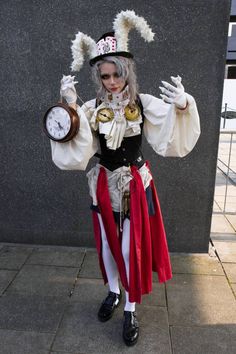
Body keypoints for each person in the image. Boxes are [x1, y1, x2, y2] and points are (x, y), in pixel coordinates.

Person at [50, 10, 200, 346]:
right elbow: (72, 137)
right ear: (99, 78)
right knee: (106, 243)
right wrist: (70, 108)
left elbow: (172, 129)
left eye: (117, 74)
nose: (112, 81)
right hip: (104, 184)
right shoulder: (92, 108)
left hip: (134, 183)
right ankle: (114, 292)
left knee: (131, 246)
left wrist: (182, 104)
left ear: (126, 71)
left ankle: (131, 307)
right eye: (105, 76)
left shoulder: (143, 104)